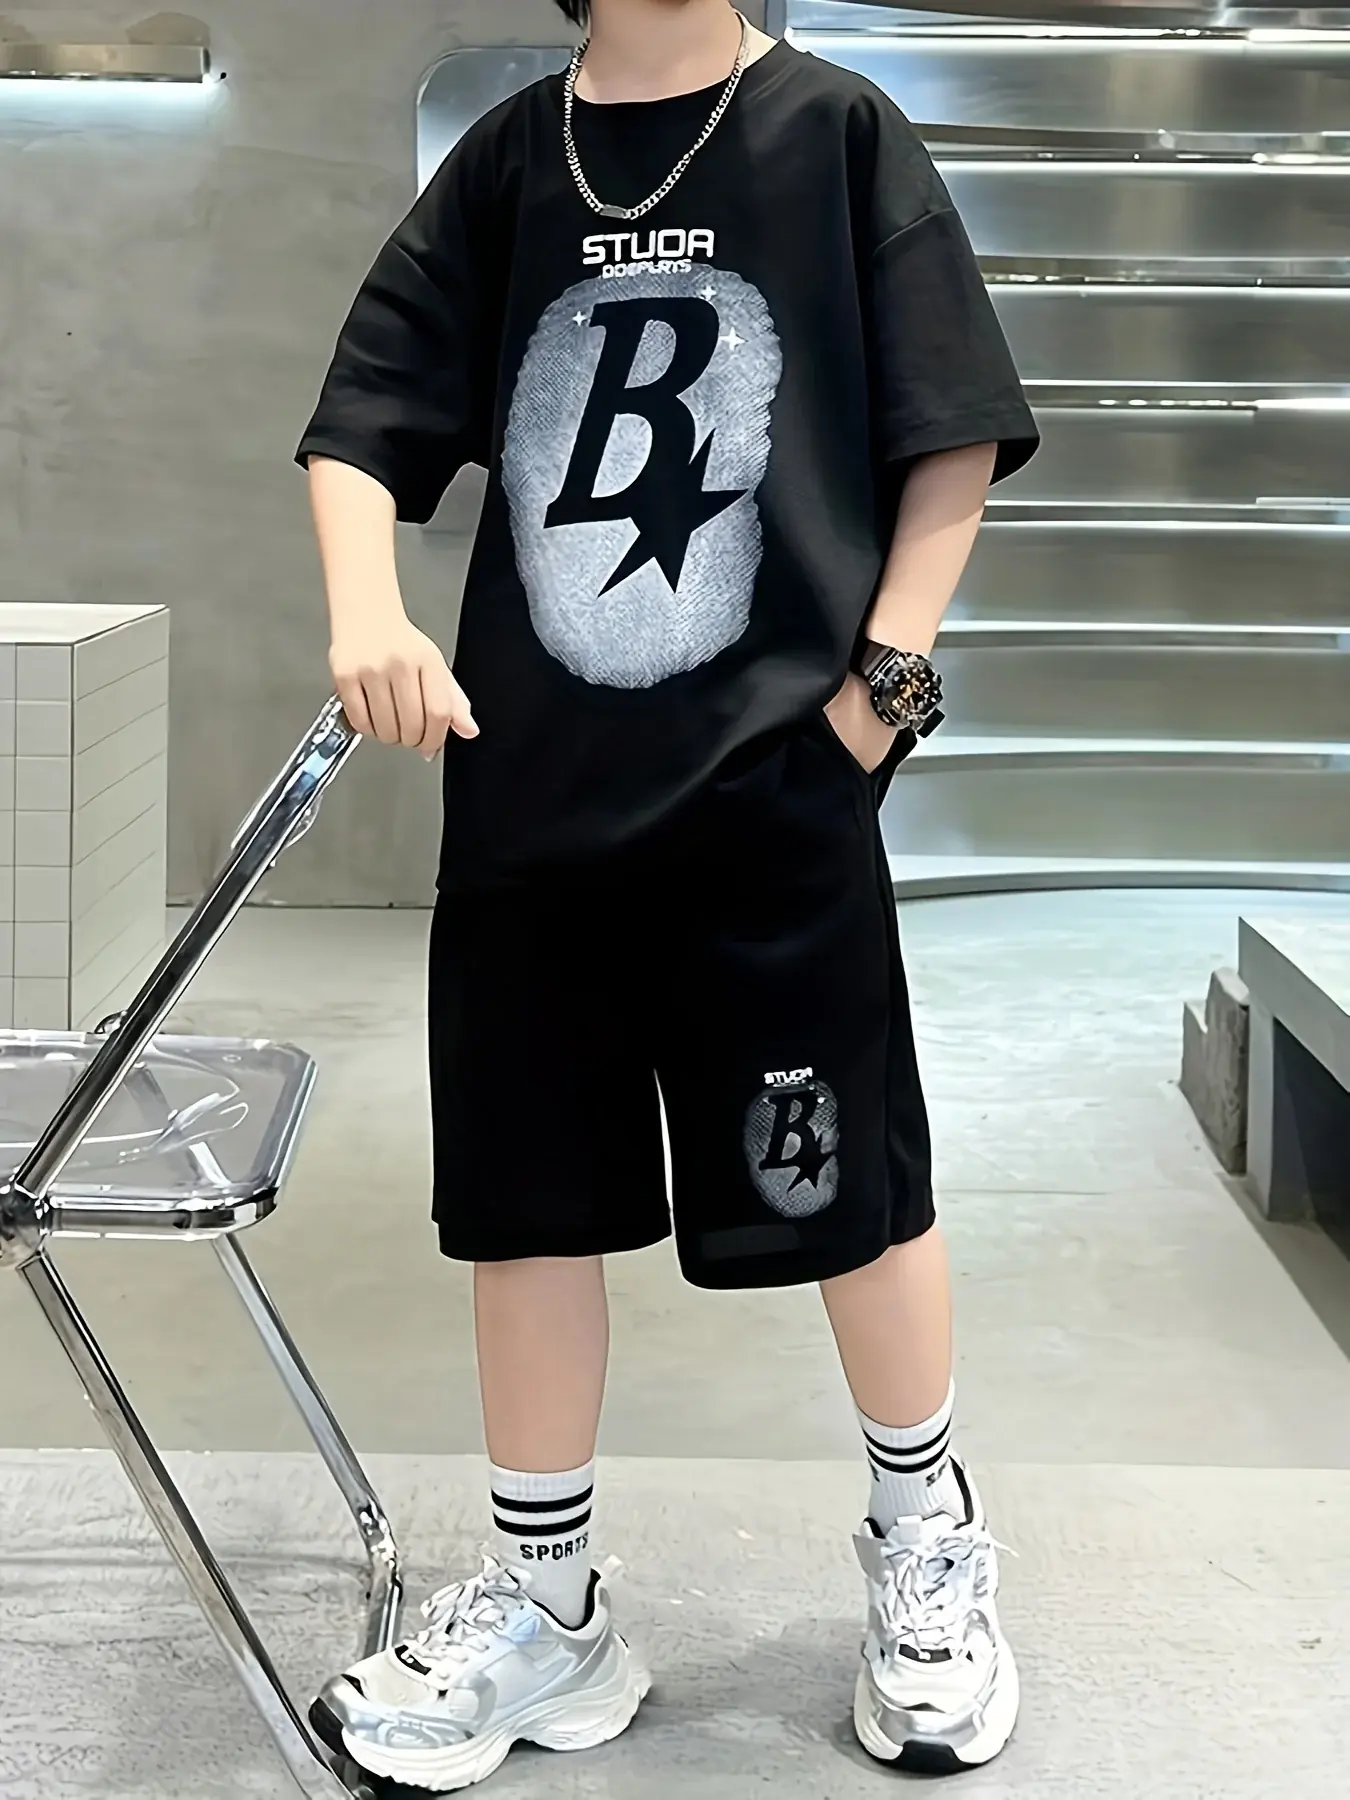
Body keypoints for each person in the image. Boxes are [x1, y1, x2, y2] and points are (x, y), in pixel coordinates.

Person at [296, 0, 1038, 1789]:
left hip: (775, 795)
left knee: (851, 1189)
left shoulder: (834, 133)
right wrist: (366, 614)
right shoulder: (509, 160)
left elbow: (951, 426)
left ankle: (925, 1552)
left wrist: (880, 694)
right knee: (526, 1206)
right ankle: (547, 1611)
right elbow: (363, 417)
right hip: (536, 802)